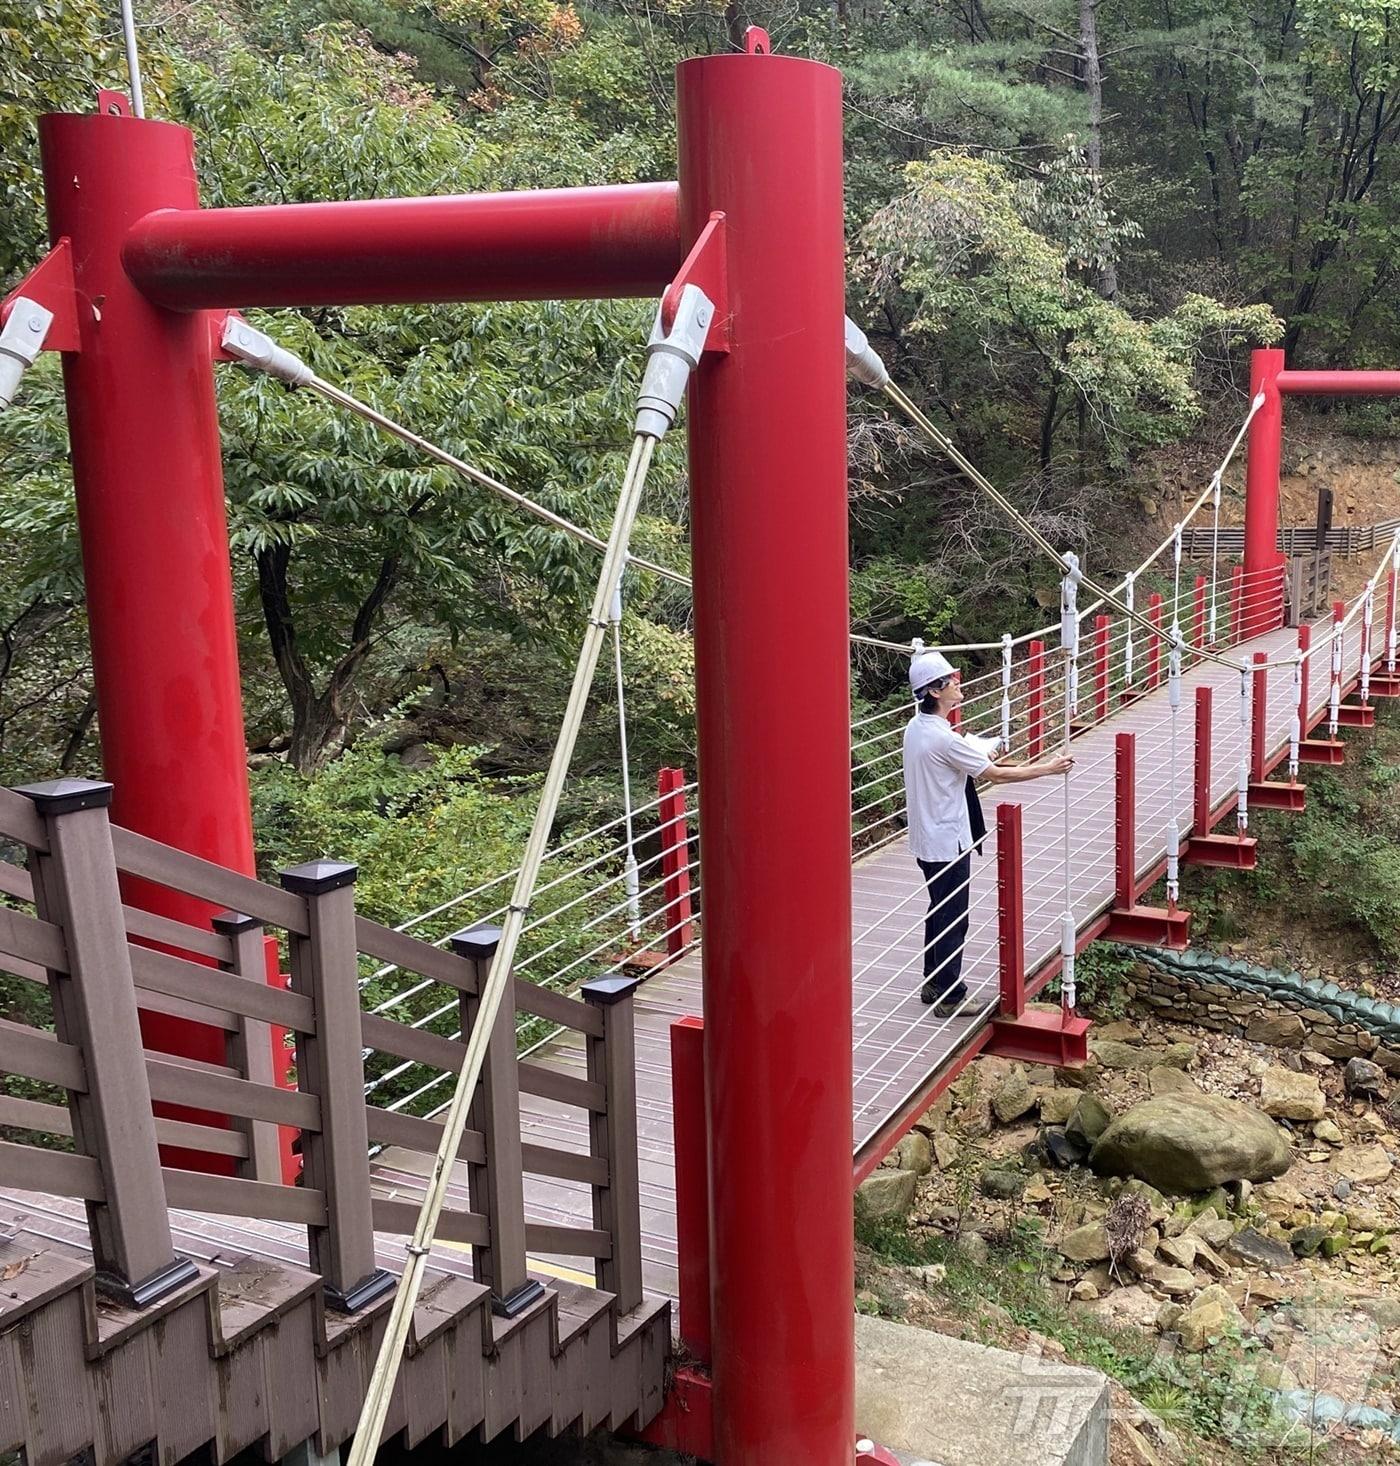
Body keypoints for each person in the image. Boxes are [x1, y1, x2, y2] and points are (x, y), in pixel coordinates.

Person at [903, 647, 1073, 1016]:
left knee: (939, 908)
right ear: (935, 691)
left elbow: (959, 764)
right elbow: (996, 775)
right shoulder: (944, 739)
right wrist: (1048, 768)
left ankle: (935, 981)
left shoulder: (916, 729)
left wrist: (975, 756)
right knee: (954, 915)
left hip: (926, 838)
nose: (957, 684)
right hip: (948, 840)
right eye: (950, 681)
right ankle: (950, 995)